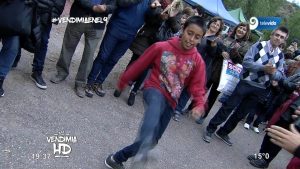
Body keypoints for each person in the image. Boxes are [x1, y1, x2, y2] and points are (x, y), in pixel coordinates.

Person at [104, 16, 206, 169]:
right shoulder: (161, 46)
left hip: (172, 101)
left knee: (153, 140)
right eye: (189, 33)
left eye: (197, 37)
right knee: (154, 109)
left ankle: (117, 158)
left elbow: (198, 86)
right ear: (183, 29)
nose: (191, 39)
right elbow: (140, 64)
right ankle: (143, 150)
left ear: (201, 39)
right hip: (154, 88)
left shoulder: (197, 61)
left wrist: (199, 104)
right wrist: (123, 81)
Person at [203, 26, 288, 146]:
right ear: (272, 35)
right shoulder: (258, 46)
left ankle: (224, 132)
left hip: (261, 89)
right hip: (246, 83)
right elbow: (246, 63)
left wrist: (274, 73)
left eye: (282, 37)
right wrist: (263, 68)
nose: (278, 38)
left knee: (241, 113)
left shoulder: (281, 55)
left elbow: (280, 75)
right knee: (228, 106)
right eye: (277, 35)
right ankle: (211, 128)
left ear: (284, 40)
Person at [84, 0, 161, 98]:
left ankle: (98, 82)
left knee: (113, 60)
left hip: (130, 34)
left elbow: (149, 19)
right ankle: (90, 82)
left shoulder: (150, 1)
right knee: (103, 56)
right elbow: (121, 3)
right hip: (116, 26)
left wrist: (153, 9)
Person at [50, 0, 116, 98]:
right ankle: (61, 73)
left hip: (98, 23)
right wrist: (93, 7)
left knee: (89, 55)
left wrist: (106, 8)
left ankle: (80, 83)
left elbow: (114, 6)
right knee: (68, 46)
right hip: (79, 16)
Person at [196, 22, 251, 124]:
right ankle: (192, 107)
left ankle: (204, 115)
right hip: (213, 68)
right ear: (237, 28)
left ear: (246, 32)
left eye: (244, 29)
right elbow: (214, 50)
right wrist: (220, 51)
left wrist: (233, 53)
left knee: (212, 97)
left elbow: (240, 61)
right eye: (240, 27)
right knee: (202, 89)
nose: (241, 30)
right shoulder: (225, 37)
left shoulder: (245, 46)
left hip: (225, 74)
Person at [173, 16, 224, 122]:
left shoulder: (218, 41)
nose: (215, 25)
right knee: (178, 84)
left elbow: (213, 54)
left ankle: (177, 110)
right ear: (210, 23)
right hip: (187, 63)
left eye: (217, 25)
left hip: (200, 68)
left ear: (219, 29)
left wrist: (213, 46)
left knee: (188, 91)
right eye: (214, 22)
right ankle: (170, 103)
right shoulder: (200, 32)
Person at [30, 0, 66, 89]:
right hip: (31, 6)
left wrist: (55, 12)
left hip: (48, 12)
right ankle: (14, 57)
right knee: (21, 32)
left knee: (43, 42)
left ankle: (37, 72)